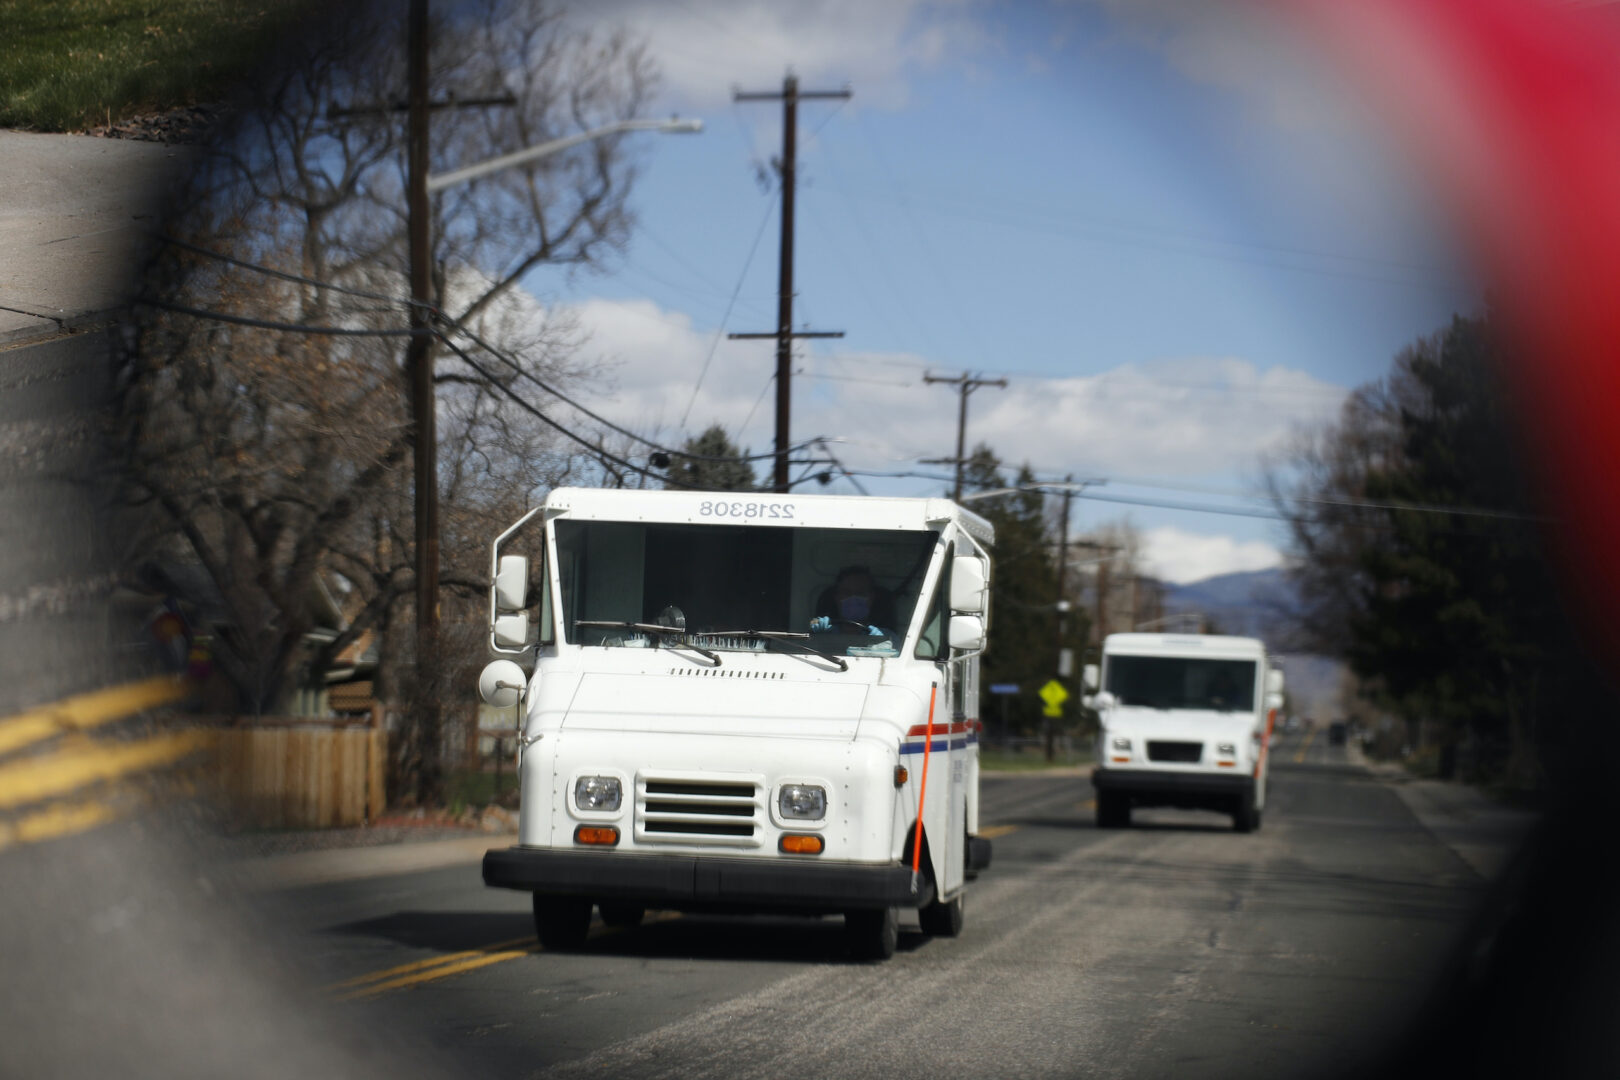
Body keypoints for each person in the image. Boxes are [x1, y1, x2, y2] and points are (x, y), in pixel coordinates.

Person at [811, 566, 897, 635]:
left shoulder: (886, 636)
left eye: (861, 593)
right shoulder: (823, 631)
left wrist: (883, 644)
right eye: (846, 592)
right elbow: (810, 624)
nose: (853, 598)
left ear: (872, 598)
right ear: (837, 598)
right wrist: (814, 626)